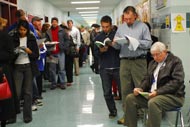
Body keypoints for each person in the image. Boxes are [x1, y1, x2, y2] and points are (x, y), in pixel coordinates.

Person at [125, 42, 185, 127]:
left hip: (173, 96)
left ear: (164, 52)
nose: (155, 57)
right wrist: (140, 88)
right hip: (153, 95)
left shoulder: (175, 61)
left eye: (157, 55)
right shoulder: (153, 63)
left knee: (154, 102)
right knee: (130, 98)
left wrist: (158, 92)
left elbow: (177, 82)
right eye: (153, 55)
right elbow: (146, 79)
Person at [112, 6, 152, 124]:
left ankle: (143, 114)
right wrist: (114, 43)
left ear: (135, 16)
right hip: (124, 61)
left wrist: (136, 42)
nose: (127, 21)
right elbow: (117, 46)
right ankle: (128, 115)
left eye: (130, 19)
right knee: (125, 89)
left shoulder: (143, 27)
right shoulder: (121, 28)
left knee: (140, 88)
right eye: (125, 19)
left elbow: (149, 43)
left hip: (139, 61)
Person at [12, 20, 39, 123]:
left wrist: (29, 52)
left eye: (24, 30)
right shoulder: (14, 38)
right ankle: (13, 115)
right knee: (17, 92)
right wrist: (16, 52)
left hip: (28, 66)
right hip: (17, 67)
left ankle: (27, 117)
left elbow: (36, 55)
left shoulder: (31, 38)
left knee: (28, 92)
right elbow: (10, 54)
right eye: (20, 30)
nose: (22, 32)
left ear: (27, 30)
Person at [94, 15, 121, 118]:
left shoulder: (117, 35)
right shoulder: (98, 37)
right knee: (107, 92)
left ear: (111, 25)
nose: (105, 29)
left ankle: (128, 110)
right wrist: (100, 51)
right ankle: (112, 110)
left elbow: (122, 49)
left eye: (107, 26)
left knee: (123, 91)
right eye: (103, 27)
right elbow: (95, 53)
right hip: (104, 68)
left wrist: (113, 45)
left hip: (117, 66)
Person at [0, 17, 18, 127]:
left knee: (5, 94)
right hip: (4, 67)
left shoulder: (5, 36)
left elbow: (11, 54)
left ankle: (6, 117)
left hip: (3, 68)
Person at [46, 17, 70, 90]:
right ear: (51, 23)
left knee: (61, 69)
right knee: (52, 69)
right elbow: (45, 42)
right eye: (53, 22)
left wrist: (64, 47)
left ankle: (62, 83)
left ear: (57, 22)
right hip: (52, 53)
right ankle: (53, 83)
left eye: (55, 22)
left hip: (60, 52)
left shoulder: (62, 31)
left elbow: (67, 40)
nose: (54, 23)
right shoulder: (48, 32)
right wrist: (48, 49)